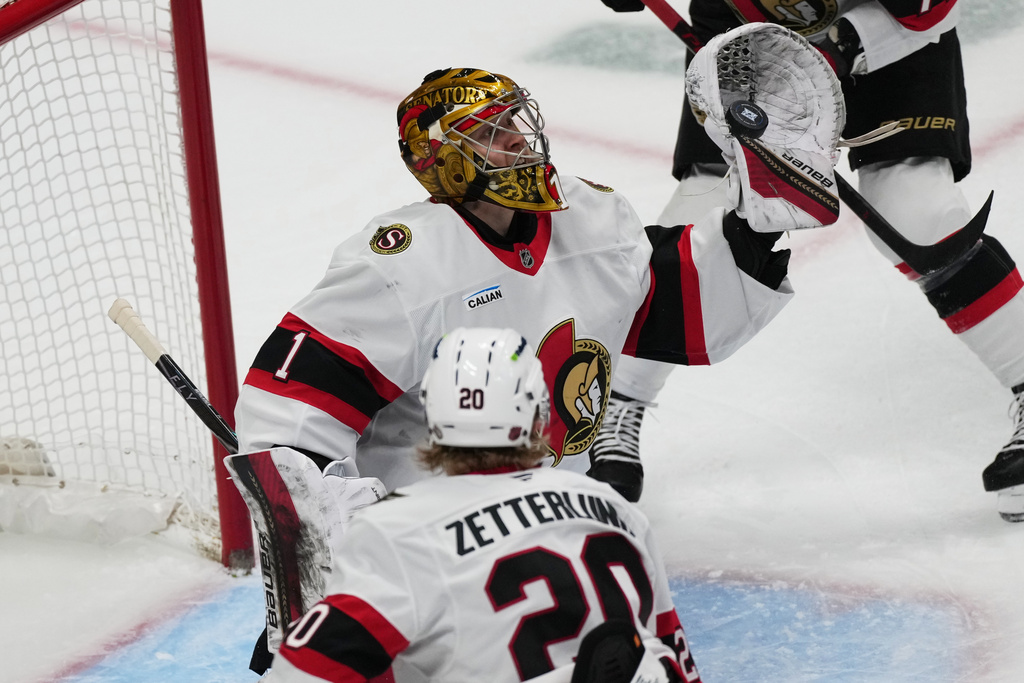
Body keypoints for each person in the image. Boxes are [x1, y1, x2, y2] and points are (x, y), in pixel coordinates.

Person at [230, 36, 845, 672]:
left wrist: (753, 228)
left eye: (518, 124)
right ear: (446, 162)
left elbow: (674, 312)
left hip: (549, 521)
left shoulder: (592, 219)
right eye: (494, 134)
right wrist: (320, 575)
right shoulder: (400, 267)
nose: (521, 142)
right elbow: (287, 418)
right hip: (424, 561)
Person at [596, 0, 1024, 522]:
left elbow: (930, 9)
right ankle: (618, 401)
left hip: (891, 35)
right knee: (701, 209)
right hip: (746, 29)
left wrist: (844, 45)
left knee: (917, 209)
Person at [259, 327, 702, 683]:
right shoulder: (615, 507)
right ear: (539, 415)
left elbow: (306, 674)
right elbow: (674, 654)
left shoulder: (396, 529)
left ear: (432, 417)